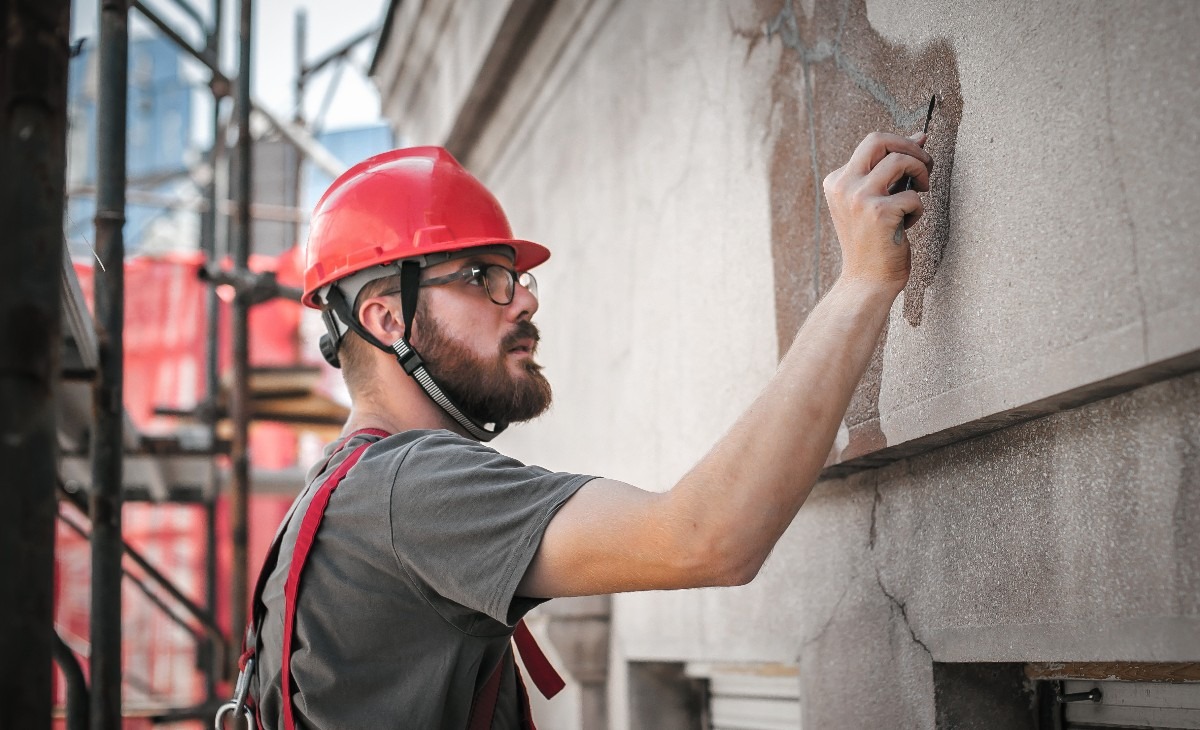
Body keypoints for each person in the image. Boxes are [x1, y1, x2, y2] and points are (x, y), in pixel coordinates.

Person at [243, 132, 933, 729]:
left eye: (518, 276)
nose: (526, 298)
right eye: (486, 277)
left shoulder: (332, 498)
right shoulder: (410, 487)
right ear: (388, 320)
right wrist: (864, 281)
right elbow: (706, 539)